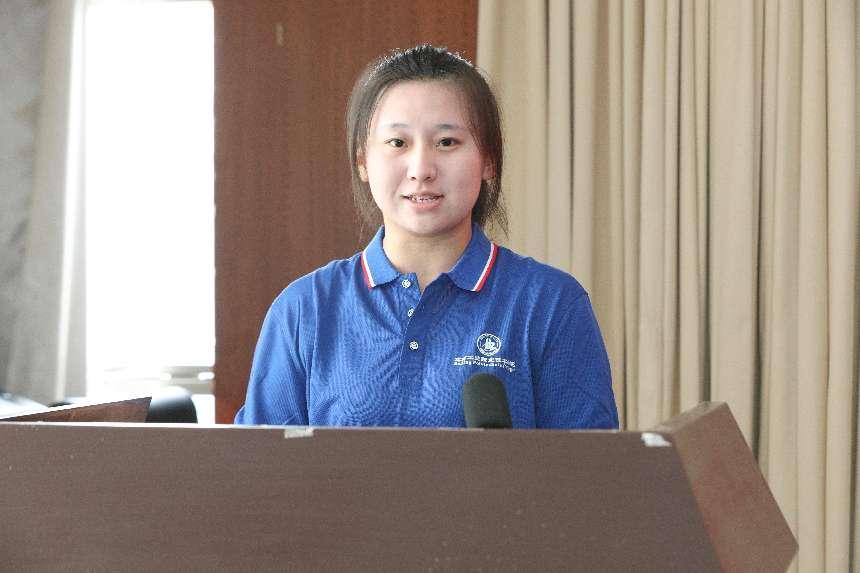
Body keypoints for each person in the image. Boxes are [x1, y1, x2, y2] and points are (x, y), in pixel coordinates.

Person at [234, 45, 618, 429]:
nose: (421, 169)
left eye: (446, 142)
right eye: (398, 143)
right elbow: (257, 462)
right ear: (363, 161)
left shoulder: (551, 304)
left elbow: (590, 464)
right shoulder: (304, 310)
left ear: (489, 159)